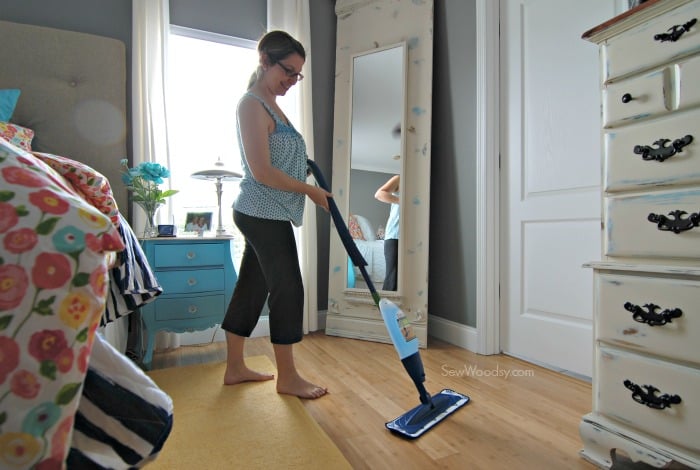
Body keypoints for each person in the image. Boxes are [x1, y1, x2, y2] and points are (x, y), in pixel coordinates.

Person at [220, 30, 331, 399]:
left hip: (270, 212)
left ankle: (235, 367)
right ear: (265, 60)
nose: (292, 80)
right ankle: (288, 377)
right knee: (288, 287)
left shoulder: (271, 103)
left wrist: (307, 173)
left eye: (298, 74)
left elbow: (281, 160)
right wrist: (310, 191)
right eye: (288, 70)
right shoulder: (251, 104)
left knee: (252, 287)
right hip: (258, 211)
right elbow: (262, 171)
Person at [375, 174, 400, 291]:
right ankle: (384, 308)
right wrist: (403, 201)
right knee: (392, 277)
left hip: (414, 236)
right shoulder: (400, 179)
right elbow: (379, 194)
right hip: (395, 235)